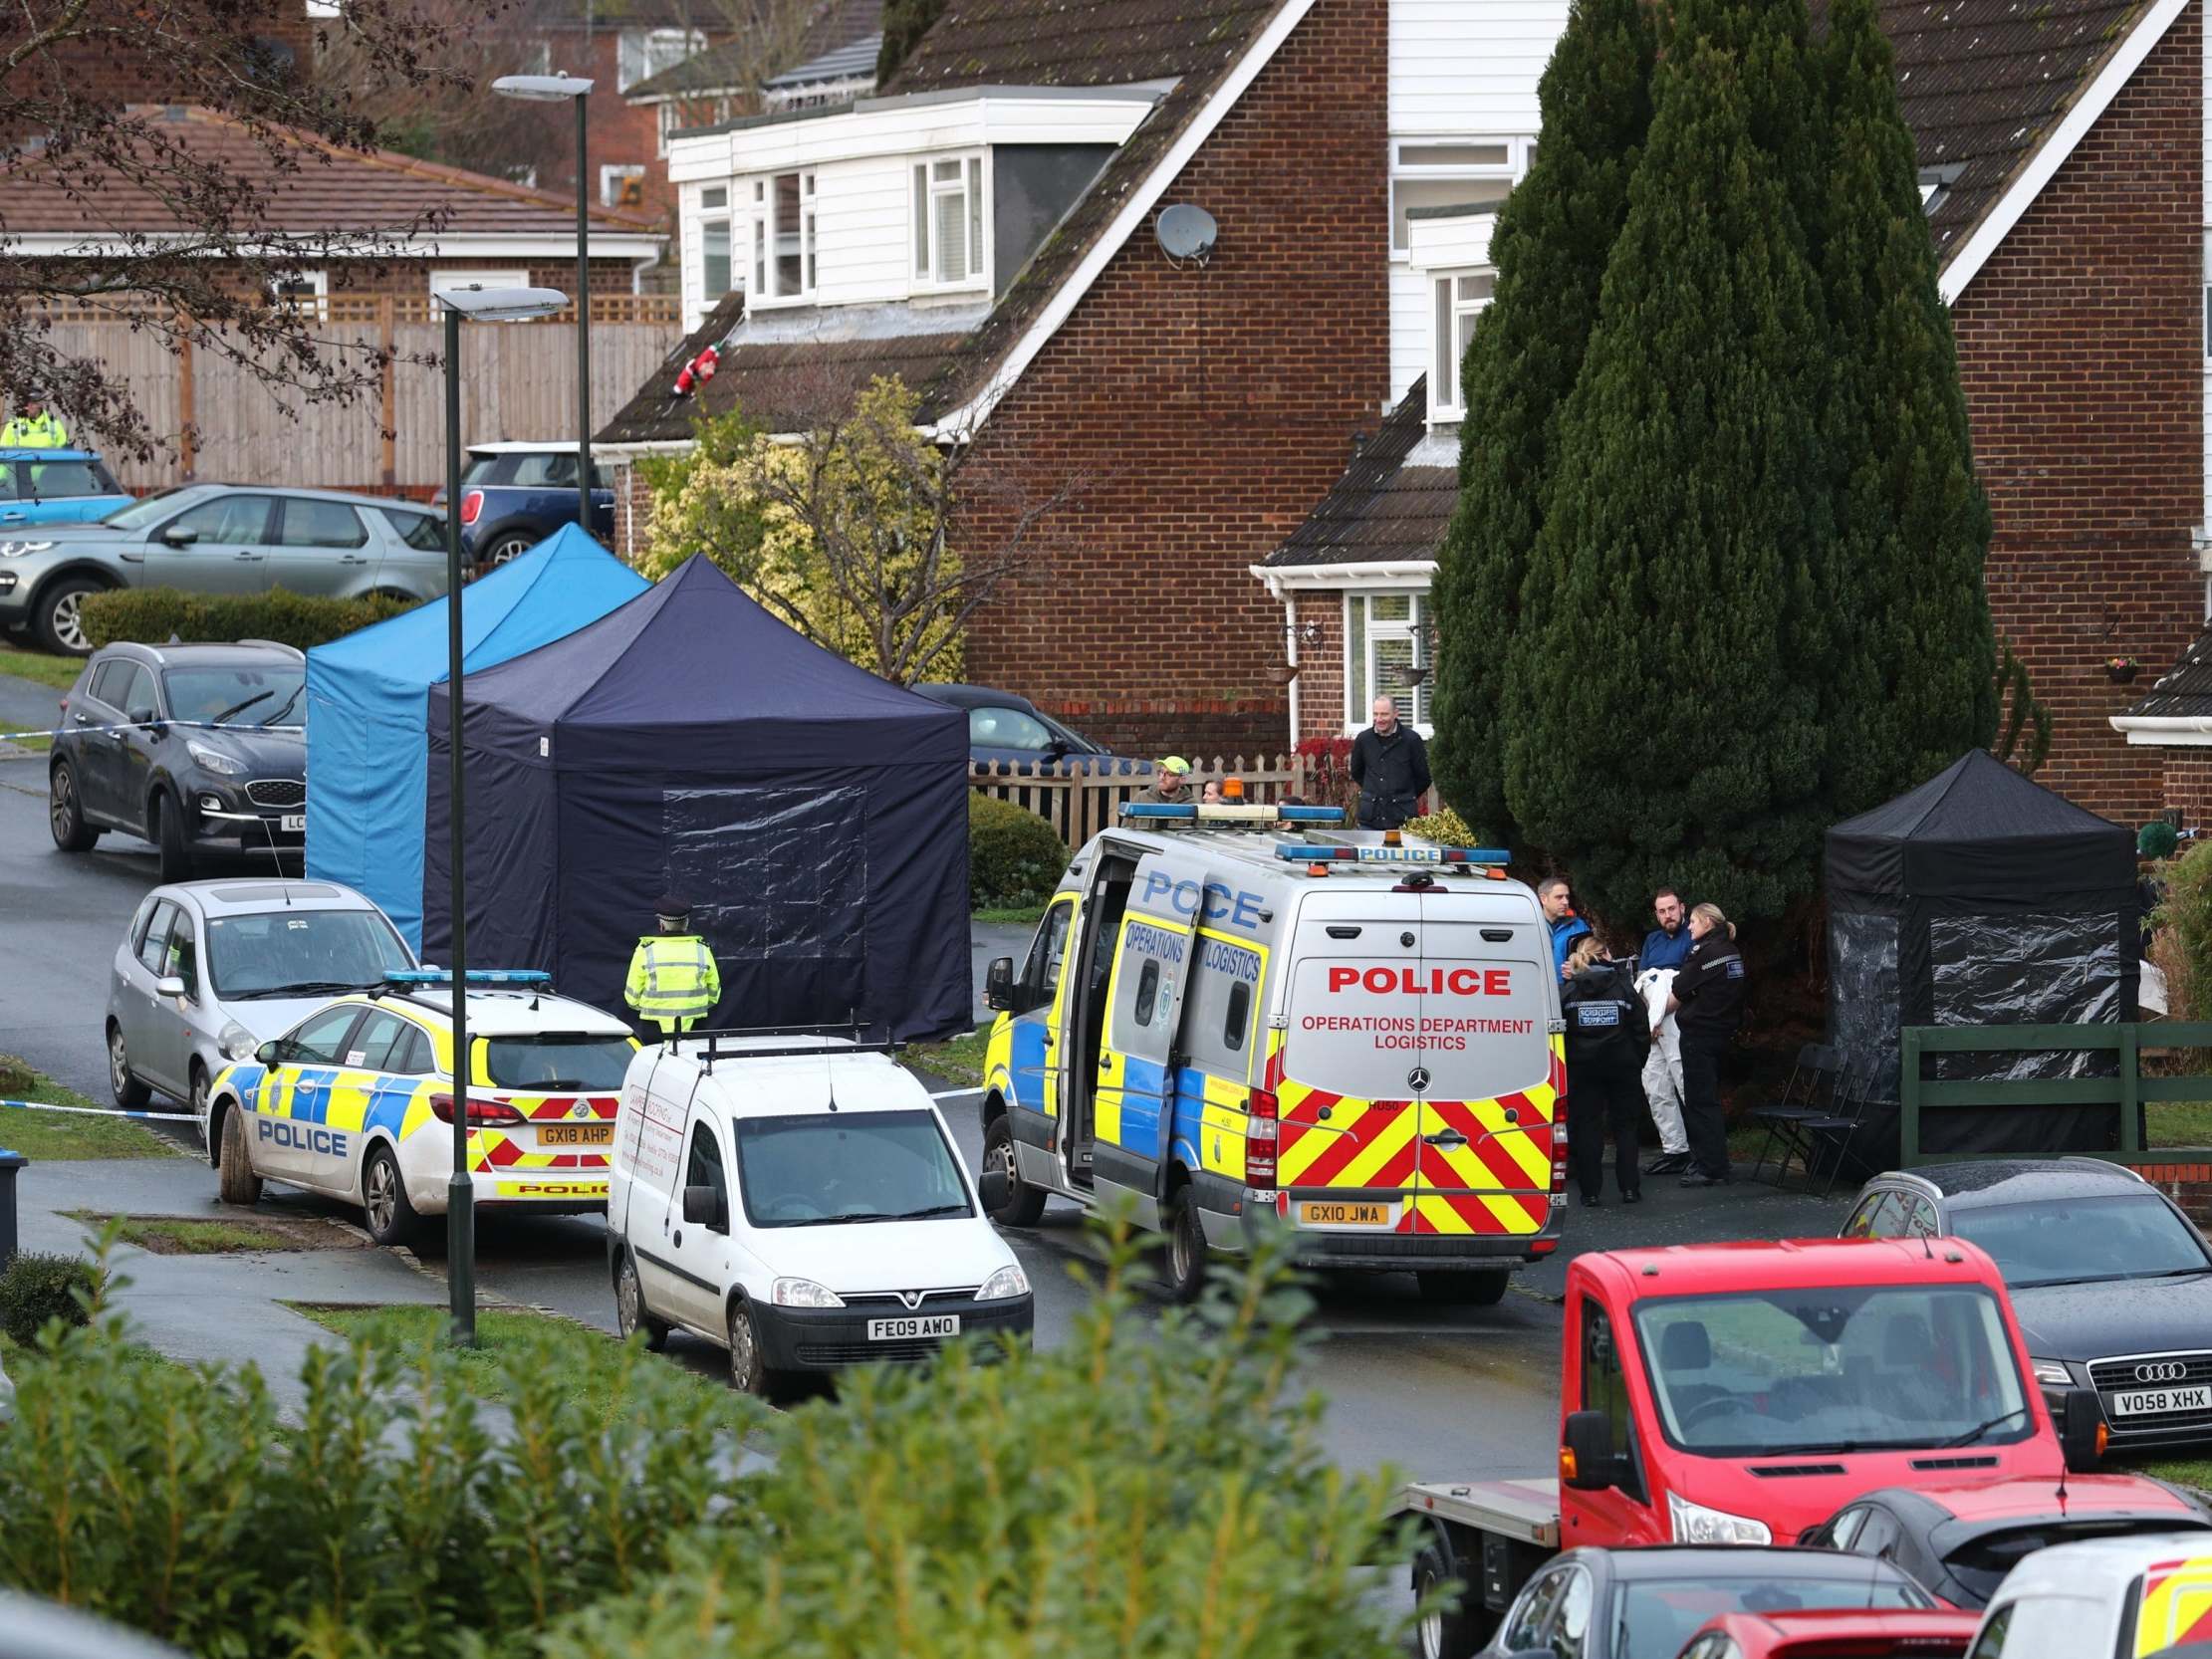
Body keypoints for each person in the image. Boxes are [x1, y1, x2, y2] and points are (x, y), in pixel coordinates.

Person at [1561, 936, 1649, 1206]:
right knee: (1626, 1128)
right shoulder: (1622, 987)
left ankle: (1590, 1192)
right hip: (1623, 1067)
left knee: (1588, 1129)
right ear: (1606, 954)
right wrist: (1638, 1060)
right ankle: (1630, 1188)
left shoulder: (1569, 991)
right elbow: (1640, 1027)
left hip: (1583, 1069)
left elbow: (1558, 1033)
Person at [1668, 901, 1747, 1188]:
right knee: (1710, 1101)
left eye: (1693, 921)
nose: (1689, 926)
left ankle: (1710, 1167)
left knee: (1701, 1103)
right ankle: (1716, 1161)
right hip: (1722, 1032)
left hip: (1699, 1035)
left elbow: (1680, 986)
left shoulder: (1706, 953)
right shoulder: (1731, 951)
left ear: (1707, 923)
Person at [622, 893, 721, 1039]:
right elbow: (714, 993)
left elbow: (632, 997)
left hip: (653, 1026)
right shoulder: (702, 950)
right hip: (695, 1023)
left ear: (661, 924)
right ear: (686, 923)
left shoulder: (646, 950)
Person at [1634, 962, 1691, 1175]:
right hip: (1651, 1007)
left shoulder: (1689, 939)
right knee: (1656, 1087)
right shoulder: (1653, 940)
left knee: (1686, 1081)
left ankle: (1707, 1151)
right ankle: (1675, 1150)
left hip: (1675, 1010)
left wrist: (1655, 1019)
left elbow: (1686, 983)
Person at [1350, 696, 1430, 830]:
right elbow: (1357, 772)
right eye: (1376, 714)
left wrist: (1405, 795)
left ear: (1395, 714)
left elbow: (1424, 777)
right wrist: (1374, 790)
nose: (1379, 719)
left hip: (1403, 820)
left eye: (1384, 714)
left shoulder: (1412, 740)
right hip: (1370, 820)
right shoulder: (1363, 739)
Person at [1539, 876, 1591, 981]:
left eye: (1567, 897)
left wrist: (1579, 970)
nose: (1565, 902)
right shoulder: (1530, 926)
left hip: (1571, 989)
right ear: (1543, 899)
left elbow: (1593, 958)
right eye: (1559, 897)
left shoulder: (1578, 926)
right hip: (1539, 988)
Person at [1640, 888, 1694, 973]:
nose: (1668, 915)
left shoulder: (1694, 934)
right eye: (1662, 911)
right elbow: (1641, 974)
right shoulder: (1651, 939)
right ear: (1657, 915)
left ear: (1682, 908)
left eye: (1671, 909)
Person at [0, 397, 67, 448]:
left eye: (33, 403)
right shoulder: (14, 425)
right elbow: (3, 455)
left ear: (40, 405)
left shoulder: (54, 425)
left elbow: (64, 454)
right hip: (20, 465)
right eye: (27, 403)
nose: (29, 406)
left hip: (48, 465)